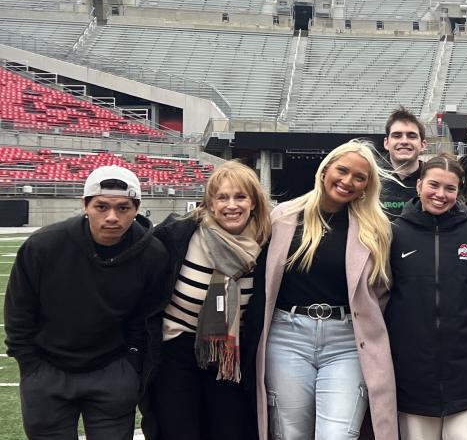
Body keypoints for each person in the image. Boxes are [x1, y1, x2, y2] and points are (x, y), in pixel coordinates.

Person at [7, 166, 169, 439]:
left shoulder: (152, 254)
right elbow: (19, 311)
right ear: (85, 204)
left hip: (113, 371)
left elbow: (146, 319)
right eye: (101, 206)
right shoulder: (44, 246)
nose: (112, 217)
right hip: (48, 370)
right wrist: (30, 366)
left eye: (123, 208)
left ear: (137, 208)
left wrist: (130, 367)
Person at [254, 140, 398, 440]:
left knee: (338, 435)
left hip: (347, 341)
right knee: (290, 434)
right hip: (287, 337)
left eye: (359, 178)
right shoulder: (282, 217)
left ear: (365, 187)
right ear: (325, 171)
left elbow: (382, 291)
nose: (347, 181)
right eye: (342, 170)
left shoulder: (376, 229)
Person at [144, 162, 270, 440]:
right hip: (176, 348)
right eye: (222, 197)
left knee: (229, 430)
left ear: (254, 202)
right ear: (210, 204)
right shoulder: (179, 234)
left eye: (240, 197)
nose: (231, 205)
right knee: (179, 430)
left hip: (231, 353)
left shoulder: (267, 243)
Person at [386, 156, 467, 439]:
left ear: (459, 192)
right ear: (419, 185)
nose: (440, 195)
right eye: (433, 185)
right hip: (412, 372)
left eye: (450, 188)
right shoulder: (393, 234)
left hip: (465, 371)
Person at [381, 107, 427, 218]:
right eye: (397, 136)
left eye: (412, 136)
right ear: (386, 143)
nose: (404, 141)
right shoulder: (370, 177)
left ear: (423, 145)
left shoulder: (434, 178)